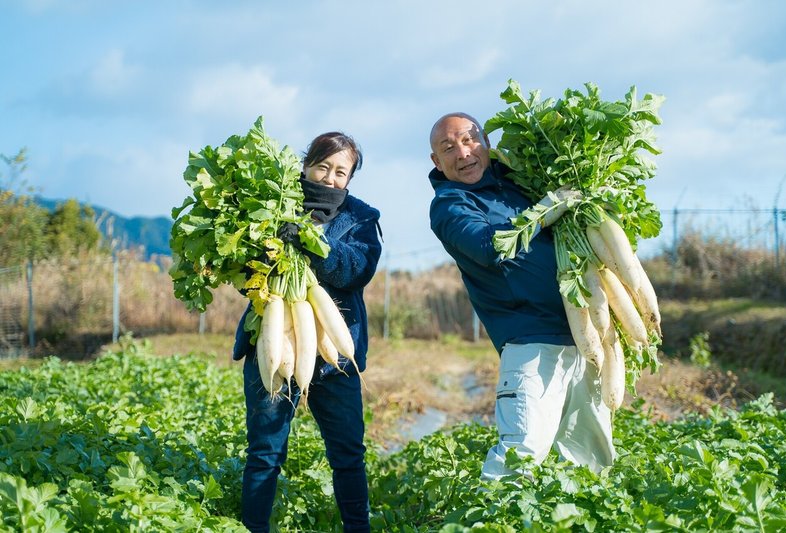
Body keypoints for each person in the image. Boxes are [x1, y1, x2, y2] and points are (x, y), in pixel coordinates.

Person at [427, 112, 614, 480]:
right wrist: (546, 209)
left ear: (486, 142)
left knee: (590, 458)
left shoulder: (521, 182)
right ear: (437, 161)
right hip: (531, 344)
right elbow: (487, 247)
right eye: (449, 148)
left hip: (585, 337)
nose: (463, 153)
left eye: (469, 140)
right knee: (519, 457)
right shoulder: (450, 206)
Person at [232, 132, 382, 532]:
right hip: (276, 341)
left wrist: (310, 242)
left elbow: (356, 269)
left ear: (349, 178)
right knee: (265, 452)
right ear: (305, 165)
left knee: (348, 453)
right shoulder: (274, 204)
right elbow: (241, 272)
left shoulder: (363, 218)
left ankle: (357, 528)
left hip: (333, 353)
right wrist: (265, 248)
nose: (330, 178)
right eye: (322, 167)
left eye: (340, 172)